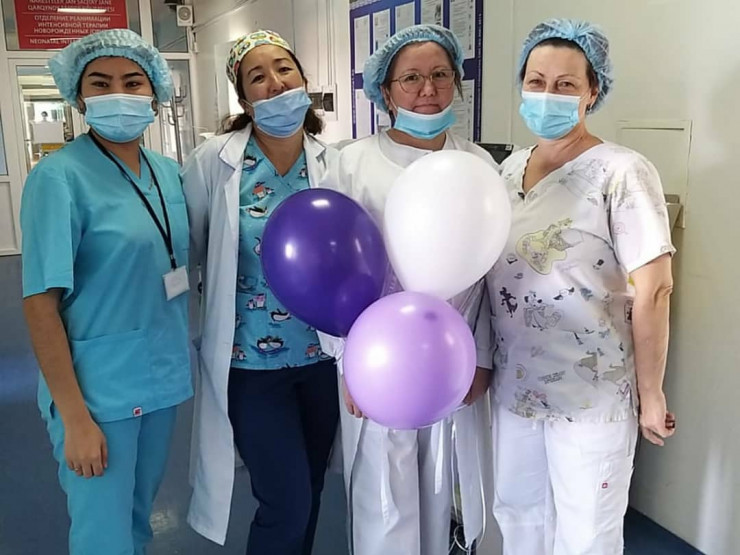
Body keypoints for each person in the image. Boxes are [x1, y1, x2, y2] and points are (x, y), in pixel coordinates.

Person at [484, 18, 677, 555]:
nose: (548, 94)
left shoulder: (621, 172)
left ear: (593, 92)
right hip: (516, 389)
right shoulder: (508, 171)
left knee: (585, 536)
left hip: (591, 395)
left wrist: (651, 393)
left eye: (566, 84)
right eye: (537, 81)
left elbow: (655, 289)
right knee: (518, 521)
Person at [20, 29, 191, 555]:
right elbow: (40, 304)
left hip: (160, 380)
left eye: (133, 82)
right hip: (97, 393)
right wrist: (74, 417)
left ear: (155, 94)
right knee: (103, 538)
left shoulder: (169, 174)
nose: (118, 93)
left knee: (137, 523)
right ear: (78, 97)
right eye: (100, 83)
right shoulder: (58, 178)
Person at [327, 24, 495, 555]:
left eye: (441, 75)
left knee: (442, 488)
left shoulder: (479, 165)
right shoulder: (351, 164)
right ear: (385, 89)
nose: (428, 89)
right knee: (385, 495)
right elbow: (329, 272)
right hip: (377, 359)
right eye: (412, 78)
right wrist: (348, 363)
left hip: (452, 354)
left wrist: (482, 357)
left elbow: (491, 276)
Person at [182, 30, 340, 554]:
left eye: (283, 69)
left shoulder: (333, 163)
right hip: (249, 364)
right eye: (257, 77)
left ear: (303, 80)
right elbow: (190, 250)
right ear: (245, 99)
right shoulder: (215, 162)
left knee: (311, 491)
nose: (275, 83)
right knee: (286, 501)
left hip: (321, 360)